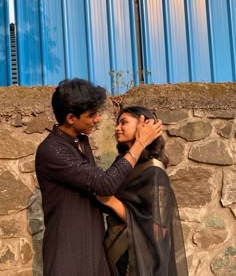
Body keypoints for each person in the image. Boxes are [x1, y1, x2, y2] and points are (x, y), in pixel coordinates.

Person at [35, 78, 162, 276]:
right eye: (92, 115)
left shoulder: (81, 142)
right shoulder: (52, 150)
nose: (98, 119)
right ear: (70, 118)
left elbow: (100, 188)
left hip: (95, 251)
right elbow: (103, 185)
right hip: (68, 255)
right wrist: (139, 144)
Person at [96, 106, 189, 276]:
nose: (117, 128)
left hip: (141, 260)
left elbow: (158, 228)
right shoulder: (123, 164)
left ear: (143, 126)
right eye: (118, 123)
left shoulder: (155, 172)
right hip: (118, 251)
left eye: (124, 122)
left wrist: (113, 203)